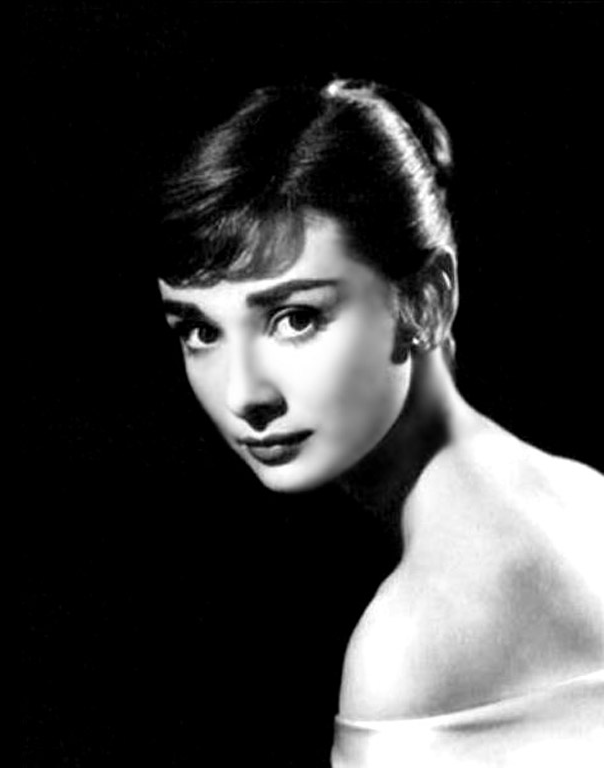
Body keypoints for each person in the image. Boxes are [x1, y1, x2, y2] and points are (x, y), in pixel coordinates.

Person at [155, 79, 604, 766]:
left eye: (295, 318)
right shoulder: (586, 497)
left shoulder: (409, 644)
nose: (244, 394)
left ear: (426, 301)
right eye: (200, 331)